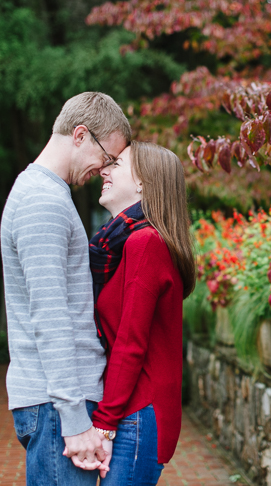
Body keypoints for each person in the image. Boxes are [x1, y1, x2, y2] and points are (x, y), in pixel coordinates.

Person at [0, 92, 130, 485]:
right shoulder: (44, 201)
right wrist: (74, 420)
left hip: (54, 402)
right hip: (58, 407)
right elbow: (51, 315)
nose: (103, 170)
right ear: (79, 135)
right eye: (106, 158)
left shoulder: (48, 193)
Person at [88, 141, 196, 485]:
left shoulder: (145, 243)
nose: (103, 170)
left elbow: (130, 343)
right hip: (136, 411)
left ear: (143, 183)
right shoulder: (131, 243)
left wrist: (104, 424)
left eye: (116, 164)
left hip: (138, 414)